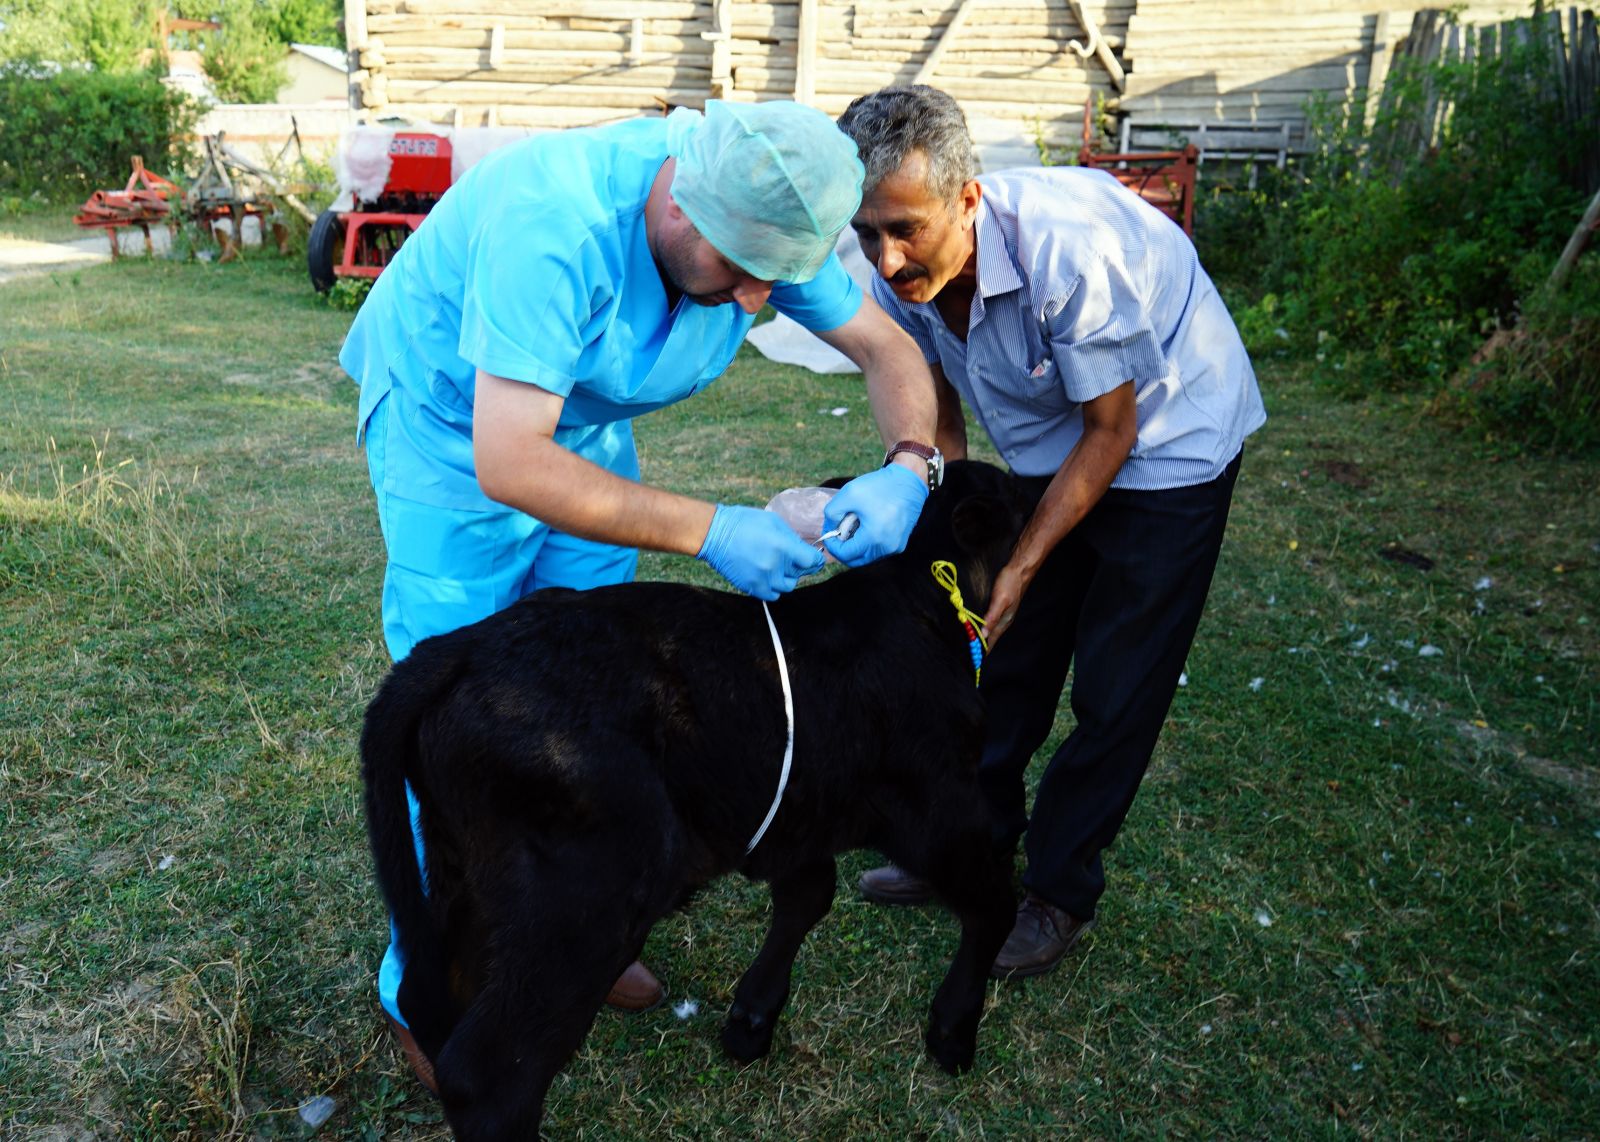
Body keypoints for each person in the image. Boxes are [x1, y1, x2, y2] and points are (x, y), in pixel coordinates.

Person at [340, 100, 942, 1087]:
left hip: (571, 435)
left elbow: (887, 349)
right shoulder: (556, 222)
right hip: (455, 438)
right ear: (680, 205)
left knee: (589, 697)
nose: (755, 300)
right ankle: (430, 978)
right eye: (741, 271)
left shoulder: (762, 223)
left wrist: (908, 464)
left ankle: (566, 909)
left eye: (777, 279)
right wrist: (712, 529)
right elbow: (508, 459)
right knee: (461, 716)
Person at [837, 86, 1266, 978]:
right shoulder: (898, 258)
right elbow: (934, 399)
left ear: (966, 199)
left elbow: (1113, 432)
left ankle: (1058, 891)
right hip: (1052, 431)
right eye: (867, 230)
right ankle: (967, 844)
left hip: (1169, 431)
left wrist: (1025, 563)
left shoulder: (1069, 253)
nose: (885, 256)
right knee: (1008, 660)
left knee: (1116, 681)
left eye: (904, 230)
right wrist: (938, 521)